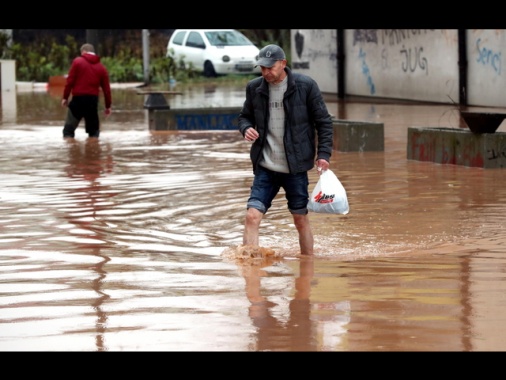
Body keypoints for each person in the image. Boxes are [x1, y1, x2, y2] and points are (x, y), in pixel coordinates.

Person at [238, 44, 333, 256]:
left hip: (295, 168)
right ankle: (250, 272)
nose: (265, 72)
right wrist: (246, 128)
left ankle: (307, 267)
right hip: (265, 166)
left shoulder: (305, 86)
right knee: (252, 216)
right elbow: (244, 116)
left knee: (300, 219)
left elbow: (324, 122)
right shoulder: (254, 88)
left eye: (270, 67)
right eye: (262, 68)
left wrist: (323, 155)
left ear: (283, 64)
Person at [61, 43, 112, 138]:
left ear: (83, 52)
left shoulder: (77, 62)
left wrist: (65, 97)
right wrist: (108, 106)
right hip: (92, 102)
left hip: (78, 100)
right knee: (94, 133)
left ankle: (71, 149)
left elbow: (70, 82)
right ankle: (94, 149)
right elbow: (107, 90)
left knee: (68, 131)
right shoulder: (101, 68)